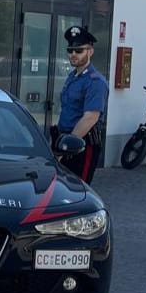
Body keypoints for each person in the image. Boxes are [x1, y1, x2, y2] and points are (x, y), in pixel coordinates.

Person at [52, 25, 109, 183]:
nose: (73, 54)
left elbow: (90, 117)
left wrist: (67, 146)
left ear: (90, 51)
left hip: (82, 144)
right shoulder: (72, 77)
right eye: (70, 50)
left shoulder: (95, 82)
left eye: (79, 50)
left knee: (78, 188)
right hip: (65, 140)